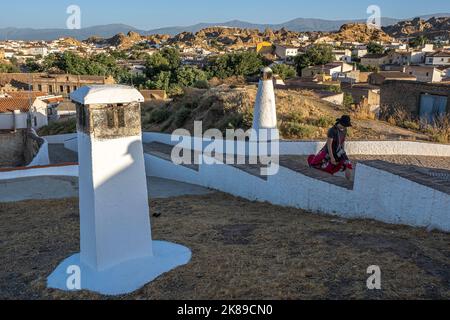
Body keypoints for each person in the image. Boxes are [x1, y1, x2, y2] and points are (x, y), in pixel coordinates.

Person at [307, 115, 354, 181]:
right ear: (341, 123)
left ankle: (348, 182)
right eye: (345, 125)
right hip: (328, 151)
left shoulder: (345, 130)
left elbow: (342, 141)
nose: (345, 127)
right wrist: (332, 157)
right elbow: (329, 145)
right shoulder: (332, 130)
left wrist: (343, 151)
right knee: (315, 164)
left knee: (348, 164)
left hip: (339, 150)